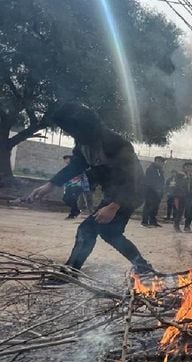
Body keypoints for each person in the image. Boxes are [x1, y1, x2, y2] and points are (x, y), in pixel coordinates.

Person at [26, 103, 154, 284]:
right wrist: (51, 184)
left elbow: (131, 178)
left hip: (130, 193)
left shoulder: (115, 143)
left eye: (72, 130)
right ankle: (143, 268)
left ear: (84, 126)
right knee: (111, 233)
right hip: (114, 193)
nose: (71, 134)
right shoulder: (83, 143)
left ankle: (69, 273)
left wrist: (114, 205)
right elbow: (76, 165)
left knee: (87, 229)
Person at [141, 156, 165, 227]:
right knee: (148, 206)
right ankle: (145, 221)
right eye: (161, 162)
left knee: (155, 207)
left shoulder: (160, 170)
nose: (162, 164)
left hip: (158, 192)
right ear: (156, 161)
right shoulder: (150, 169)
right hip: (150, 191)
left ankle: (153, 221)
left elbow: (161, 181)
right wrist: (155, 188)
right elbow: (149, 181)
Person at [61, 155, 84, 219]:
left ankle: (72, 214)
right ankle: (76, 211)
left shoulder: (76, 166)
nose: (65, 160)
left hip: (77, 185)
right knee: (65, 199)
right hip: (69, 186)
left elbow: (81, 174)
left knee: (73, 199)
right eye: (65, 159)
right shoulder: (67, 167)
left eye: (67, 159)